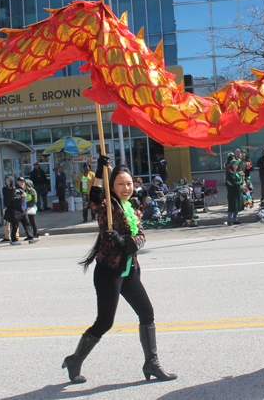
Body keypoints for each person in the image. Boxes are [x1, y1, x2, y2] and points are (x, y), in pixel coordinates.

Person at [62, 158, 177, 384]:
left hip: (128, 270)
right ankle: (75, 360)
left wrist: (126, 241)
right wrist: (98, 173)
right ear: (111, 187)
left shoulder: (132, 206)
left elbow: (141, 236)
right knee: (105, 322)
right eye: (120, 184)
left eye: (129, 183)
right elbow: (93, 200)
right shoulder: (108, 206)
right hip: (109, 272)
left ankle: (151, 363)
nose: (126, 188)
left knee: (147, 313)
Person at [4, 177, 37, 245]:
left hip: (22, 210)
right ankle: (13, 240)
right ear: (17, 182)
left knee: (27, 224)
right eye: (20, 181)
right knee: (15, 225)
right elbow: (12, 199)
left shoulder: (21, 189)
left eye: (23, 182)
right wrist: (21, 196)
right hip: (16, 210)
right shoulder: (15, 189)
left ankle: (31, 238)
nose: (22, 183)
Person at [225, 160, 244, 225]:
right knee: (232, 206)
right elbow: (233, 182)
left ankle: (235, 220)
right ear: (231, 165)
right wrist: (240, 185)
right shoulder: (230, 173)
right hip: (232, 192)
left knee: (237, 206)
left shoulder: (238, 173)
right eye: (234, 165)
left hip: (238, 191)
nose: (236, 166)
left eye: (237, 165)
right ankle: (229, 220)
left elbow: (240, 181)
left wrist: (243, 185)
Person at [1, 176, 18, 243]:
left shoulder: (14, 189)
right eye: (6, 180)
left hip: (13, 207)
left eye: (8, 180)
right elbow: (5, 197)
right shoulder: (4, 189)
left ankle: (16, 236)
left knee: (15, 223)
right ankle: (7, 236)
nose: (7, 181)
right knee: (6, 223)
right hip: (7, 207)